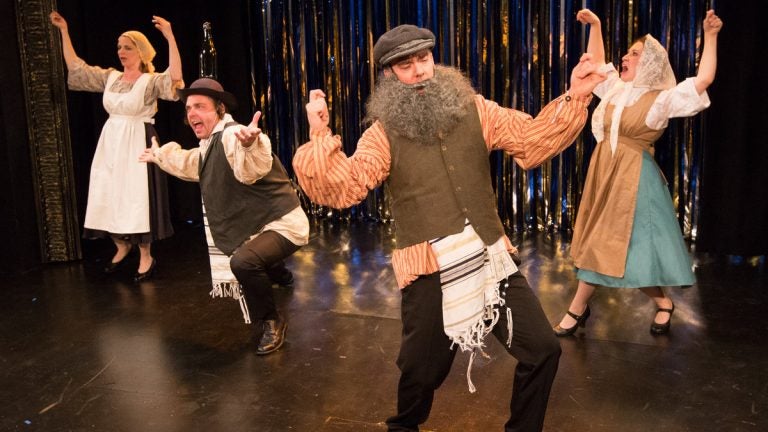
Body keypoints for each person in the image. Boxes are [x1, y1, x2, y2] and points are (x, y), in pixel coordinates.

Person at [293, 24, 605, 432]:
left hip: (490, 259)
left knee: (543, 350)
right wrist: (319, 131)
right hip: (430, 268)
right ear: (389, 75)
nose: (420, 71)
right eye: (406, 65)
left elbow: (531, 140)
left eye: (424, 60)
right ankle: (404, 426)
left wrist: (576, 94)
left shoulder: (476, 109)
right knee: (422, 372)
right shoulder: (382, 135)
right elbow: (347, 186)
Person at [554, 9, 722, 337]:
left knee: (613, 246)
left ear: (650, 64)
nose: (626, 57)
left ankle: (576, 310)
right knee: (619, 253)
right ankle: (663, 302)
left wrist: (711, 37)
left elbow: (702, 81)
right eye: (627, 51)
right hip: (605, 174)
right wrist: (597, 26)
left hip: (635, 180)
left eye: (635, 53)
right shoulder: (616, 89)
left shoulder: (660, 100)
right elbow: (597, 64)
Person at [139, 78, 309, 355]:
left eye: (200, 107)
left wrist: (250, 145)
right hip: (258, 226)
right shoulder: (209, 143)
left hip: (283, 224)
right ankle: (279, 272)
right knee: (257, 256)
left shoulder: (232, 136)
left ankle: (271, 320)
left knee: (244, 262)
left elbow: (250, 168)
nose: (192, 113)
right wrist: (160, 155)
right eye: (189, 108)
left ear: (219, 109)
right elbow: (192, 163)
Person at [50, 11, 183, 282]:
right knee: (108, 193)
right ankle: (121, 245)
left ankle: (146, 256)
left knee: (137, 197)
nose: (121, 51)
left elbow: (175, 78)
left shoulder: (149, 81)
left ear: (141, 52)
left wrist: (169, 36)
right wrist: (64, 31)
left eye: (127, 47)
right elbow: (76, 68)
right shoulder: (110, 77)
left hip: (138, 139)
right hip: (111, 142)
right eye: (119, 47)